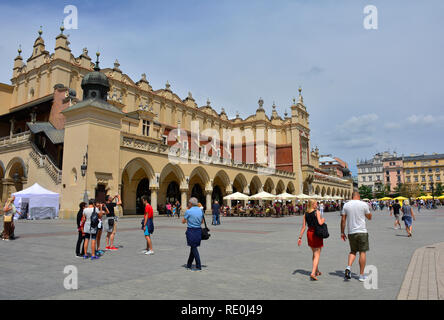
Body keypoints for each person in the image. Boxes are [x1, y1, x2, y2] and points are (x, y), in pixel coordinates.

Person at [341, 190, 372, 282]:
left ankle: (348, 267)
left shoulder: (346, 205)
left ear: (352, 196)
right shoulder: (363, 204)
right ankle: (361, 275)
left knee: (353, 251)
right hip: (362, 231)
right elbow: (369, 217)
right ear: (358, 196)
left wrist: (342, 232)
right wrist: (368, 212)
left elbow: (343, 220)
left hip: (351, 232)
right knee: (362, 252)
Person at [297, 199, 325, 281]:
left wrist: (300, 237)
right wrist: (323, 220)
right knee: (317, 254)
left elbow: (303, 227)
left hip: (309, 233)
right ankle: (313, 273)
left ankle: (317, 270)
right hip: (316, 233)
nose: (317, 205)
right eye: (316, 204)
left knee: (314, 253)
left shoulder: (305, 214)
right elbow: (320, 223)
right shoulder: (317, 212)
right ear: (312, 204)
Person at [182, 197, 204, 271]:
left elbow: (183, 221)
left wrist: (189, 219)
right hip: (198, 231)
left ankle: (198, 266)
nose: (188, 204)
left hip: (191, 231)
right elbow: (202, 222)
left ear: (191, 203)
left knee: (194, 248)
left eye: (188, 203)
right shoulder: (201, 211)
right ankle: (189, 264)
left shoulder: (188, 211)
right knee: (193, 247)